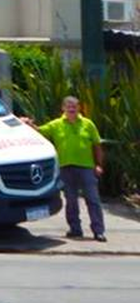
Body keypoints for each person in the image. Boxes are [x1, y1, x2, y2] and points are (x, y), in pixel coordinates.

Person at [26, 95, 106, 242]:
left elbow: (97, 146)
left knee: (93, 199)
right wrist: (27, 124)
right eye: (68, 107)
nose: (71, 109)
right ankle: (75, 229)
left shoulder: (88, 124)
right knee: (71, 201)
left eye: (74, 107)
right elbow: (40, 131)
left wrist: (99, 165)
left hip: (87, 167)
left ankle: (98, 231)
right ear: (63, 108)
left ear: (79, 108)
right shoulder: (56, 124)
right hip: (65, 168)